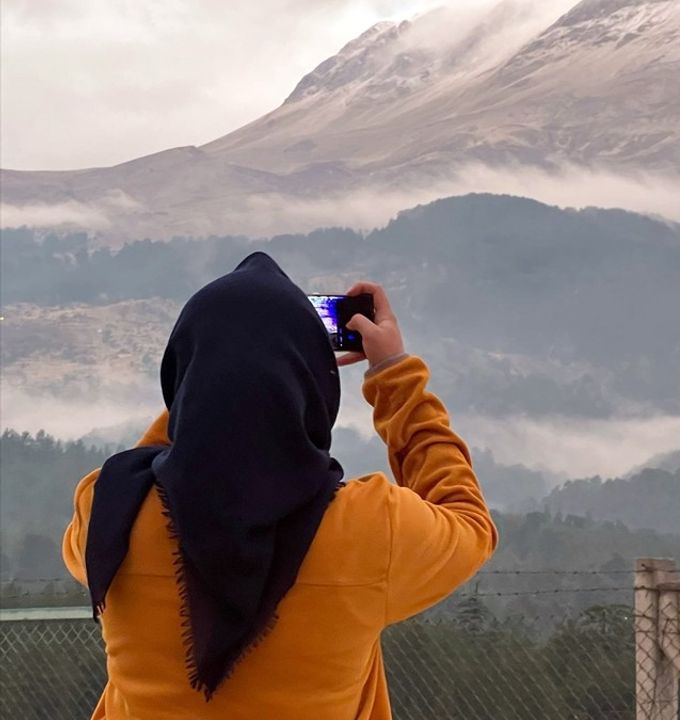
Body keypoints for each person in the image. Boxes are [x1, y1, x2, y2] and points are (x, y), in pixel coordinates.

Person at [61, 253, 498, 719]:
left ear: (180, 371)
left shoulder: (109, 510)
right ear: (312, 383)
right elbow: (469, 522)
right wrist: (392, 373)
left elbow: (156, 464)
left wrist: (207, 395)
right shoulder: (372, 530)